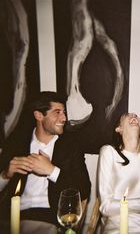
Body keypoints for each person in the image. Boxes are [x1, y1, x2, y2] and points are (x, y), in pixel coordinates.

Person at [0, 91, 91, 225]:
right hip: (15, 216)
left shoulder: (71, 146)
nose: (64, 118)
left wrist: (52, 171)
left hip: (53, 216)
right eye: (57, 112)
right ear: (39, 115)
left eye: (64, 112)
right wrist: (5, 175)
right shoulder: (16, 144)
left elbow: (84, 189)